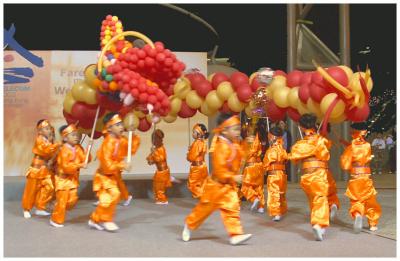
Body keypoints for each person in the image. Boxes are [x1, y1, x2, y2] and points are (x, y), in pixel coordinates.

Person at [182, 113, 252, 245]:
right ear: (225, 130)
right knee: (203, 210)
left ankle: (235, 234)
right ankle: (189, 224)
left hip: (228, 186)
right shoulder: (220, 146)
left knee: (232, 208)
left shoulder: (235, 143)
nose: (238, 131)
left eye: (238, 128)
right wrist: (233, 177)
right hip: (215, 186)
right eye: (235, 129)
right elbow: (220, 171)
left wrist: (246, 145)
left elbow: (242, 156)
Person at [88, 113, 135, 232]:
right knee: (112, 195)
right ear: (109, 128)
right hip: (104, 176)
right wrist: (122, 165)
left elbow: (131, 148)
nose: (121, 127)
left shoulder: (121, 140)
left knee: (110, 198)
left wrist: (132, 134)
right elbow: (107, 165)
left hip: (112, 176)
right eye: (118, 125)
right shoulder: (108, 143)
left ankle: (95, 219)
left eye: (121, 125)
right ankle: (106, 220)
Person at [288, 114, 331, 241]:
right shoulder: (321, 141)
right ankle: (318, 224)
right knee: (320, 198)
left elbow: (294, 158)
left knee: (313, 200)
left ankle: (320, 226)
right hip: (319, 173)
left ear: (301, 128)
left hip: (306, 175)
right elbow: (326, 155)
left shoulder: (300, 144)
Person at [340, 122, 381, 232]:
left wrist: (345, 153)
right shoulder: (367, 145)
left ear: (353, 133)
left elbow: (345, 165)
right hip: (366, 176)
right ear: (364, 132)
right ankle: (372, 224)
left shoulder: (350, 147)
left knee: (356, 200)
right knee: (370, 199)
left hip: (355, 176)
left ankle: (358, 214)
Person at [50, 124, 91, 227]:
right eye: (73, 135)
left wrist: (88, 149)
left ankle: (58, 205)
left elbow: (85, 159)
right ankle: (56, 220)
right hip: (62, 179)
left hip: (72, 180)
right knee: (63, 201)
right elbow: (66, 167)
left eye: (76, 135)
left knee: (72, 200)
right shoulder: (63, 150)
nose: (76, 137)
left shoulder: (77, 148)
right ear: (65, 137)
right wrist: (80, 165)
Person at [21, 119, 61, 219]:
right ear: (40, 131)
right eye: (46, 129)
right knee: (31, 190)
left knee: (49, 187)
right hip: (36, 169)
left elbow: (51, 153)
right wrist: (56, 145)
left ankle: (40, 207)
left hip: (45, 169)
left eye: (50, 128)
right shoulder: (39, 140)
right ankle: (26, 209)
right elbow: (45, 151)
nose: (49, 130)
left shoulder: (50, 140)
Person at [147, 129, 180, 204]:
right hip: (159, 171)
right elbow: (151, 161)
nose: (153, 141)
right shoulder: (156, 149)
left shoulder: (161, 149)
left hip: (163, 171)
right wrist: (150, 158)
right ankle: (169, 179)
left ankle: (163, 200)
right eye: (153, 139)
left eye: (155, 139)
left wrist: (154, 153)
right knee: (156, 185)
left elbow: (160, 159)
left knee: (159, 187)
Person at [263, 126, 288, 221]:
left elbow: (265, 163)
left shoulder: (271, 151)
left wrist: (263, 170)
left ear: (271, 137)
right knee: (281, 194)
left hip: (273, 175)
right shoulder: (282, 149)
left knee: (274, 193)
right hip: (282, 174)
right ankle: (281, 210)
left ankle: (276, 213)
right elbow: (286, 159)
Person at [241, 124, 265, 213]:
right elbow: (260, 152)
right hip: (259, 166)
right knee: (259, 187)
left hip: (250, 166)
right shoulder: (257, 141)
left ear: (247, 132)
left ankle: (254, 198)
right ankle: (261, 207)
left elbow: (243, 157)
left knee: (245, 186)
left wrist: (240, 170)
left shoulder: (246, 142)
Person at [186, 124, 209, 199]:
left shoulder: (197, 143)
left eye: (194, 132)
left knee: (192, 185)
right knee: (202, 184)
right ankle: (205, 199)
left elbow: (191, 157)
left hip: (196, 168)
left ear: (199, 134)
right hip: (202, 165)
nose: (193, 134)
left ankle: (204, 197)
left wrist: (189, 153)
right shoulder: (202, 142)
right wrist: (191, 149)